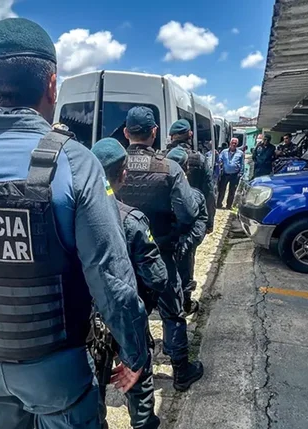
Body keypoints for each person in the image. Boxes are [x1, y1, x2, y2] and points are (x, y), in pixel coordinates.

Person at [0, 18, 149, 429]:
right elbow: (112, 278)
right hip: (58, 369)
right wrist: (134, 352)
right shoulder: (74, 163)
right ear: (52, 84)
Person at [117, 106, 204, 392]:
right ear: (154, 133)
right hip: (160, 254)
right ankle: (181, 370)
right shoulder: (170, 168)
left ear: (126, 133)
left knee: (131, 311)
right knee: (172, 312)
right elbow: (189, 213)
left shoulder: (110, 165)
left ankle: (137, 369)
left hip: (122, 257)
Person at [90, 137, 166, 429]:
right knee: (138, 378)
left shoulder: (70, 214)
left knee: (93, 390)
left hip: (88, 325)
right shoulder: (132, 220)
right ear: (123, 173)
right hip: (126, 315)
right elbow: (157, 277)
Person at [166, 147, 208, 315]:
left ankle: (183, 304)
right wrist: (188, 242)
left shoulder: (157, 191)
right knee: (184, 277)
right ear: (186, 168)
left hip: (173, 243)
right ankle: (184, 304)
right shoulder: (195, 195)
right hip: (180, 244)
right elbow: (201, 223)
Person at [166, 119, 216, 234]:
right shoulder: (200, 159)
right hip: (191, 216)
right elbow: (209, 191)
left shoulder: (161, 157)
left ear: (171, 136)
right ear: (190, 135)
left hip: (166, 220)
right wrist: (209, 222)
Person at [217, 137, 244, 209]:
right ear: (230, 143)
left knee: (232, 191)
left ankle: (229, 205)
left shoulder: (240, 153)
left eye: (235, 143)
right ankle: (219, 204)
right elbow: (219, 159)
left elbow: (242, 164)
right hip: (225, 174)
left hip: (235, 175)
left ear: (237, 144)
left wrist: (240, 173)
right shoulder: (224, 152)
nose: (234, 144)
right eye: (233, 143)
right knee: (222, 190)